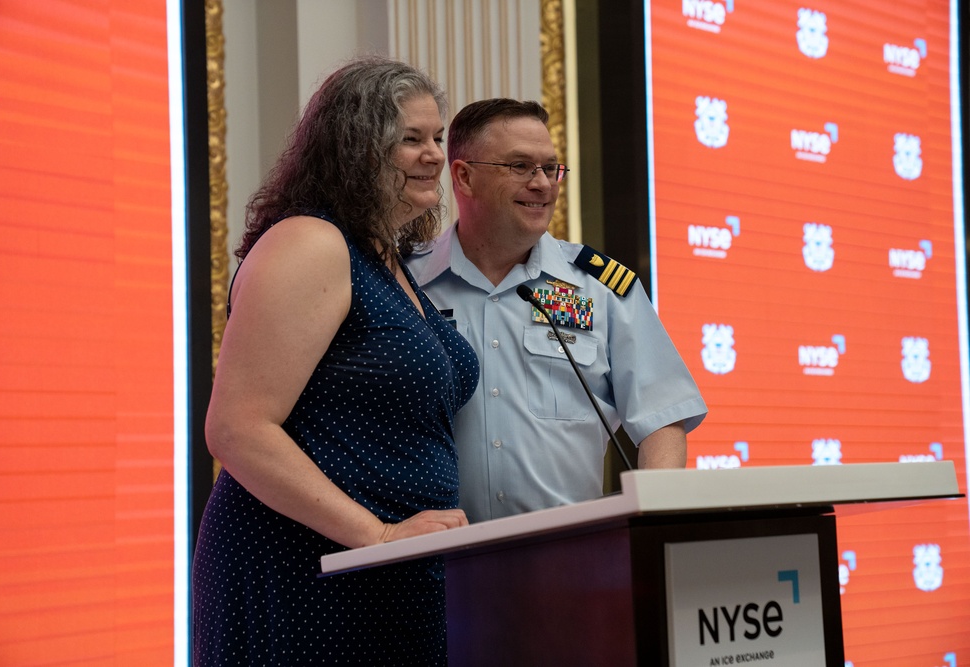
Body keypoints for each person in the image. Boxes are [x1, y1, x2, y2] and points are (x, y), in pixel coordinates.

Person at [192, 57, 479, 666]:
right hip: (306, 568)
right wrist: (376, 535)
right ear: (355, 148)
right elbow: (238, 429)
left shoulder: (388, 261)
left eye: (437, 137)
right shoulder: (311, 242)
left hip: (386, 569)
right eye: (411, 139)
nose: (434, 156)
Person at [407, 98, 707, 524]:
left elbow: (663, 417)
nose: (543, 183)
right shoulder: (405, 281)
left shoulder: (599, 288)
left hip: (567, 558)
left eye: (551, 168)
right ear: (464, 176)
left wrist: (650, 522)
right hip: (436, 564)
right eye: (520, 166)